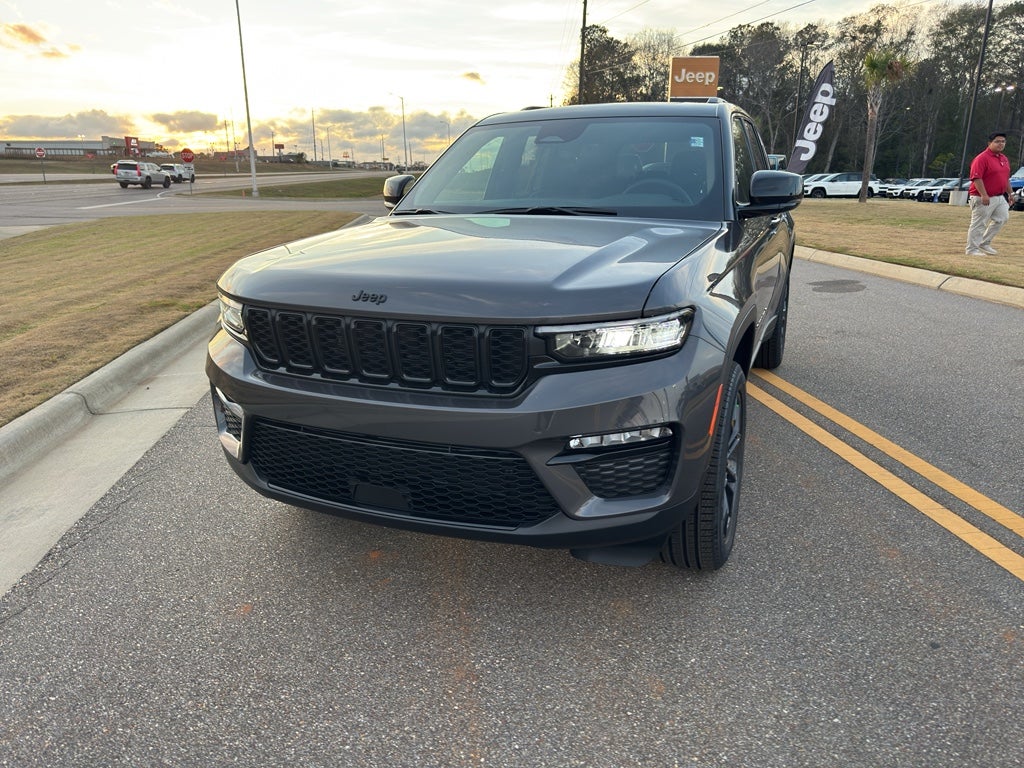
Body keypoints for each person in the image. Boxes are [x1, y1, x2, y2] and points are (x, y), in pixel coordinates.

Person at [965, 131, 1012, 256]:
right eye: (997, 141)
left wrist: (1011, 194)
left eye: (1003, 142)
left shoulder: (1003, 158)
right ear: (989, 143)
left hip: (999, 196)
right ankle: (972, 249)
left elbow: (1005, 178)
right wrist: (984, 194)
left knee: (1002, 218)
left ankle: (984, 243)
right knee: (979, 223)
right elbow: (976, 178)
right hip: (982, 197)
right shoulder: (982, 158)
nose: (1000, 144)